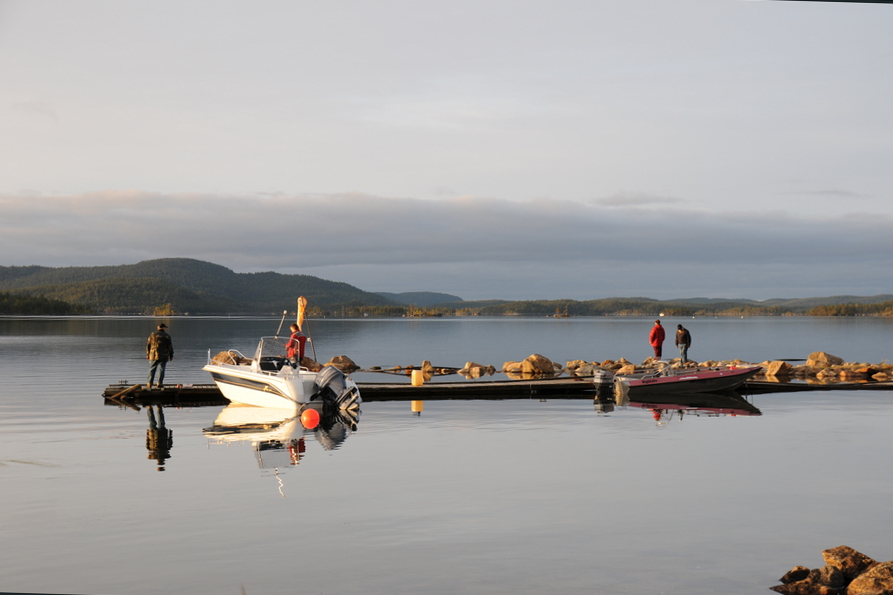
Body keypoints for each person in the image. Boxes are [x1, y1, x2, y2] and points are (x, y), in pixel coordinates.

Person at [146, 323, 174, 389]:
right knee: (161, 369)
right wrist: (171, 355)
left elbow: (148, 345)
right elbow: (170, 347)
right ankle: (159, 383)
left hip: (153, 355)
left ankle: (149, 383)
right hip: (163, 355)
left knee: (152, 369)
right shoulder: (167, 336)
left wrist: (148, 354)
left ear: (158, 328)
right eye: (165, 328)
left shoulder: (152, 334)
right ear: (163, 328)